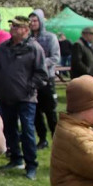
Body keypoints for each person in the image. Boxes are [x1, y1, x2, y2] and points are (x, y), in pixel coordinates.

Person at [0, 15, 46, 180]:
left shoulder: (34, 48)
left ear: (26, 30)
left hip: (26, 98)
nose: (12, 29)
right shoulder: (3, 48)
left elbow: (42, 74)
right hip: (6, 95)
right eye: (12, 26)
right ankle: (15, 157)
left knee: (27, 130)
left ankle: (31, 165)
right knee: (9, 128)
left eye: (16, 27)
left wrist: (30, 86)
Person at [28, 10, 60, 150]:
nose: (33, 23)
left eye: (35, 21)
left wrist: (39, 62)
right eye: (31, 21)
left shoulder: (50, 37)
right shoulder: (28, 39)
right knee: (35, 111)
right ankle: (42, 138)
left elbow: (55, 58)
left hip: (47, 78)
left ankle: (56, 137)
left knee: (50, 110)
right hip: (32, 79)